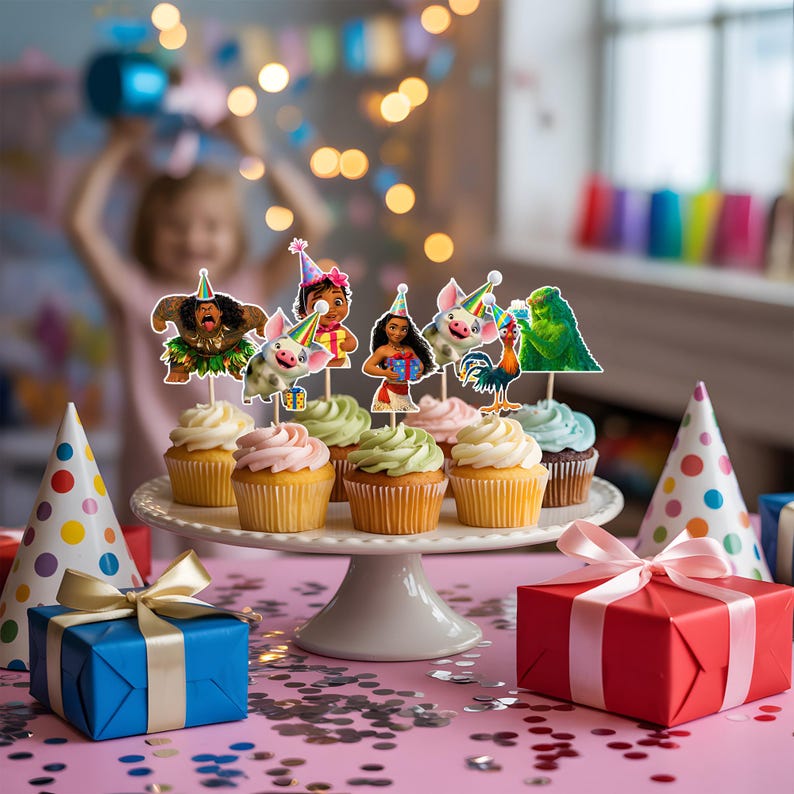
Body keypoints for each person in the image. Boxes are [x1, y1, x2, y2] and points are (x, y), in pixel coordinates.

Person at [65, 112, 331, 555]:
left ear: (236, 233)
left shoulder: (248, 291)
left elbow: (314, 222)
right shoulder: (135, 295)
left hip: (239, 494)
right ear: (148, 233)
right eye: (174, 225)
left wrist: (258, 150)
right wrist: (116, 149)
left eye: (212, 225)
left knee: (243, 603)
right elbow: (80, 225)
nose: (193, 238)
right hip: (150, 497)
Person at [361, 285, 436, 413]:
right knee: (391, 415)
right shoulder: (383, 350)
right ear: (384, 327)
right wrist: (385, 373)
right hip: (390, 392)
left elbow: (419, 364)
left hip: (404, 390)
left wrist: (418, 372)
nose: (398, 333)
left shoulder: (408, 349)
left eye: (404, 329)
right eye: (393, 327)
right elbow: (367, 367)